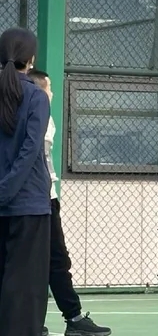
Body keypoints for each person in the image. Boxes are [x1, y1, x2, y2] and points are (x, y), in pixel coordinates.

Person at [28, 69, 112, 336]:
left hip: (43, 198)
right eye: (49, 87)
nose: (53, 92)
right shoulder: (38, 116)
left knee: (51, 261)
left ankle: (68, 319)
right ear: (40, 90)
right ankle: (57, 320)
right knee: (49, 261)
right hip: (38, 200)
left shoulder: (40, 116)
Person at [0, 28, 52, 336]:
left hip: (10, 203)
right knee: (26, 289)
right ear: (30, 59)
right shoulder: (36, 97)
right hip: (28, 204)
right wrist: (6, 191)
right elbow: (30, 151)